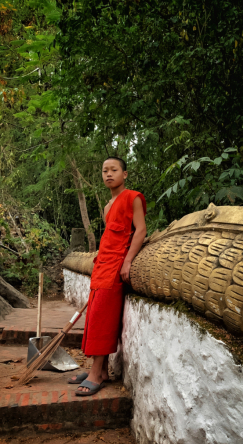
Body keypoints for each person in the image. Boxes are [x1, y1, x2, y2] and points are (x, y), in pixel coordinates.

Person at [68, 156, 146, 396]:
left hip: (115, 267)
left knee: (102, 316)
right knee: (93, 315)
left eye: (114, 170)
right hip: (101, 264)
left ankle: (96, 372)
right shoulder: (106, 206)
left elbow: (140, 230)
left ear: (125, 174)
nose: (108, 174)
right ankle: (99, 371)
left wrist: (128, 261)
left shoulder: (133, 197)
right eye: (104, 170)